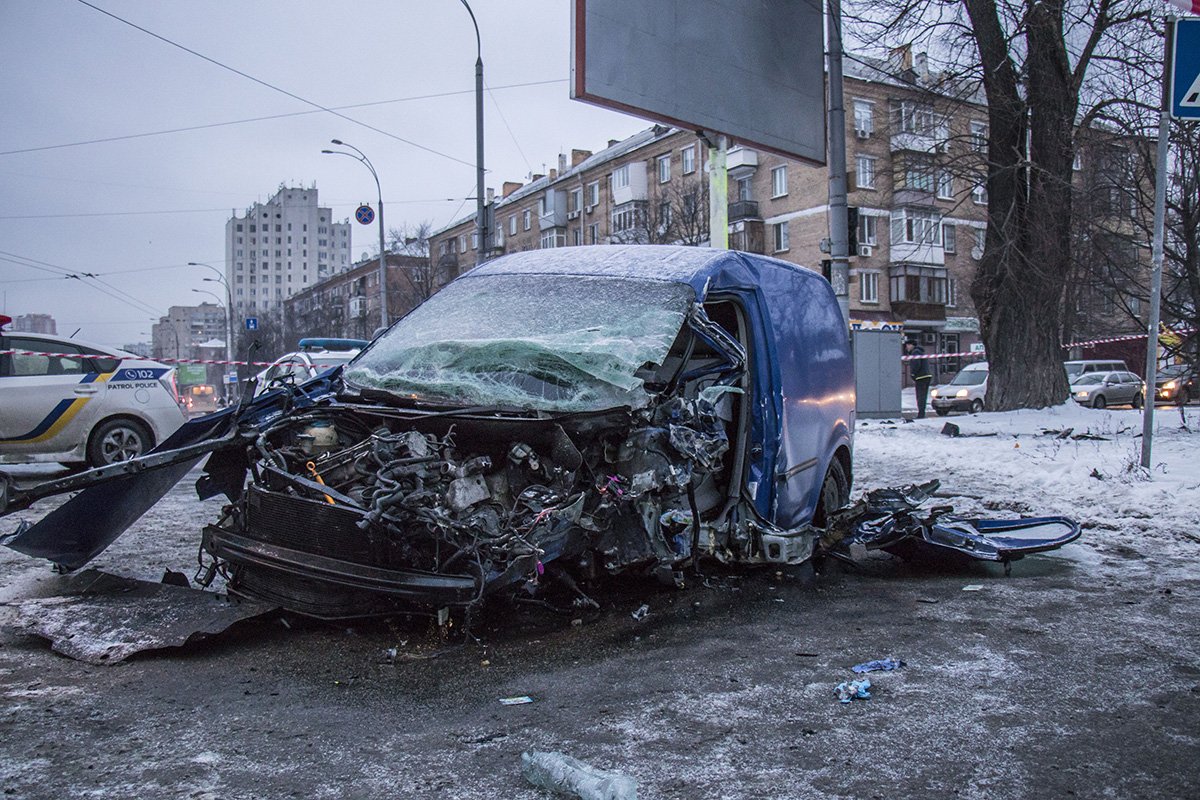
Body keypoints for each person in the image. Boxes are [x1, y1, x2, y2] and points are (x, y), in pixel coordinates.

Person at [905, 338, 933, 418]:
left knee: (920, 396)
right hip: (926, 375)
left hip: (921, 376)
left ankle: (921, 414)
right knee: (923, 396)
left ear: (912, 345)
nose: (906, 347)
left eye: (908, 345)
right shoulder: (921, 351)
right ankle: (922, 413)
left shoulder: (915, 352)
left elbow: (916, 364)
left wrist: (913, 373)